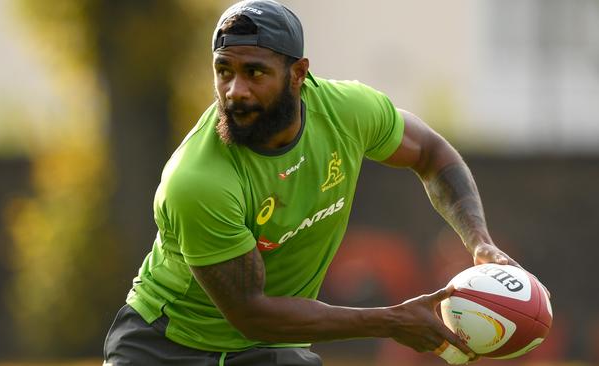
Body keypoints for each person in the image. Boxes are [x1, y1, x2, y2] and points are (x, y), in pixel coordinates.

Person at [103, 0, 521, 365]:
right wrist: (390, 321)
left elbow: (433, 155)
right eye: (223, 71)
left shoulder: (348, 112)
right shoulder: (197, 181)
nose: (235, 91)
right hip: (166, 347)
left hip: (267, 349)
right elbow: (252, 313)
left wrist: (478, 240)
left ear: (298, 73)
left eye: (255, 72)